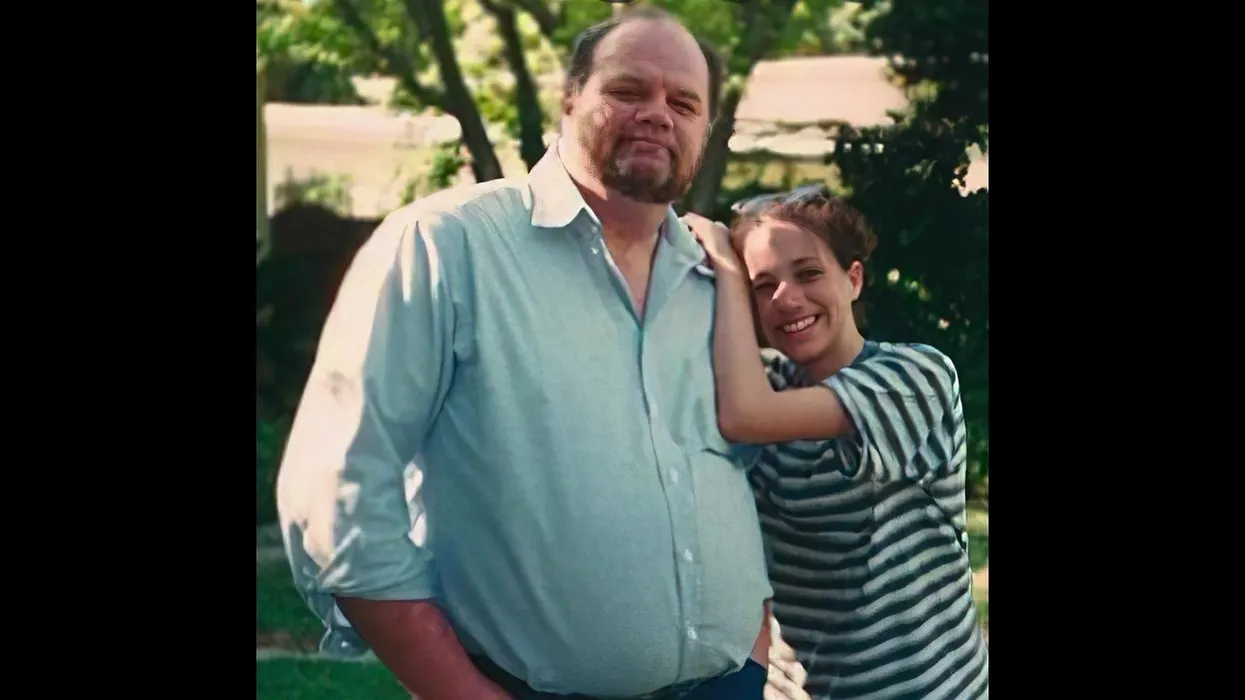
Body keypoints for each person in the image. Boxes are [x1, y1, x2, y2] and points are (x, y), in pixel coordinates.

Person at [276, 7, 805, 700]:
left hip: (728, 684)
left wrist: (754, 644)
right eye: (628, 90)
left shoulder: (715, 276)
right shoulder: (445, 246)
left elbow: (744, 470)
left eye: (683, 103)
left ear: (706, 130)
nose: (657, 114)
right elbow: (338, 495)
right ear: (569, 99)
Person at [682, 189, 989, 699]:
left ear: (854, 278)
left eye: (808, 274)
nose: (786, 299)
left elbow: (746, 416)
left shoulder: (915, 378)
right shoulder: (767, 383)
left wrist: (728, 268)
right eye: (763, 286)